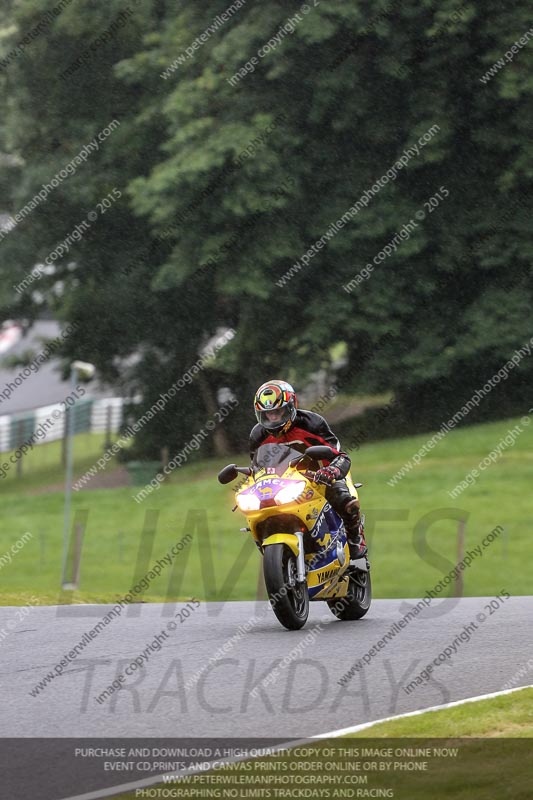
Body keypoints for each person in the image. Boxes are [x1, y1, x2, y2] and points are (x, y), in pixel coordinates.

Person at [250, 379, 367, 559]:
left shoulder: (312, 423)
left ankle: (355, 538)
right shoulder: (258, 435)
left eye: (278, 412)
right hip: (282, 484)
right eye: (267, 414)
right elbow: (256, 466)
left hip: (319, 477)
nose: (273, 418)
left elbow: (338, 454)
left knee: (343, 498)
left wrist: (331, 471)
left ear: (291, 406)